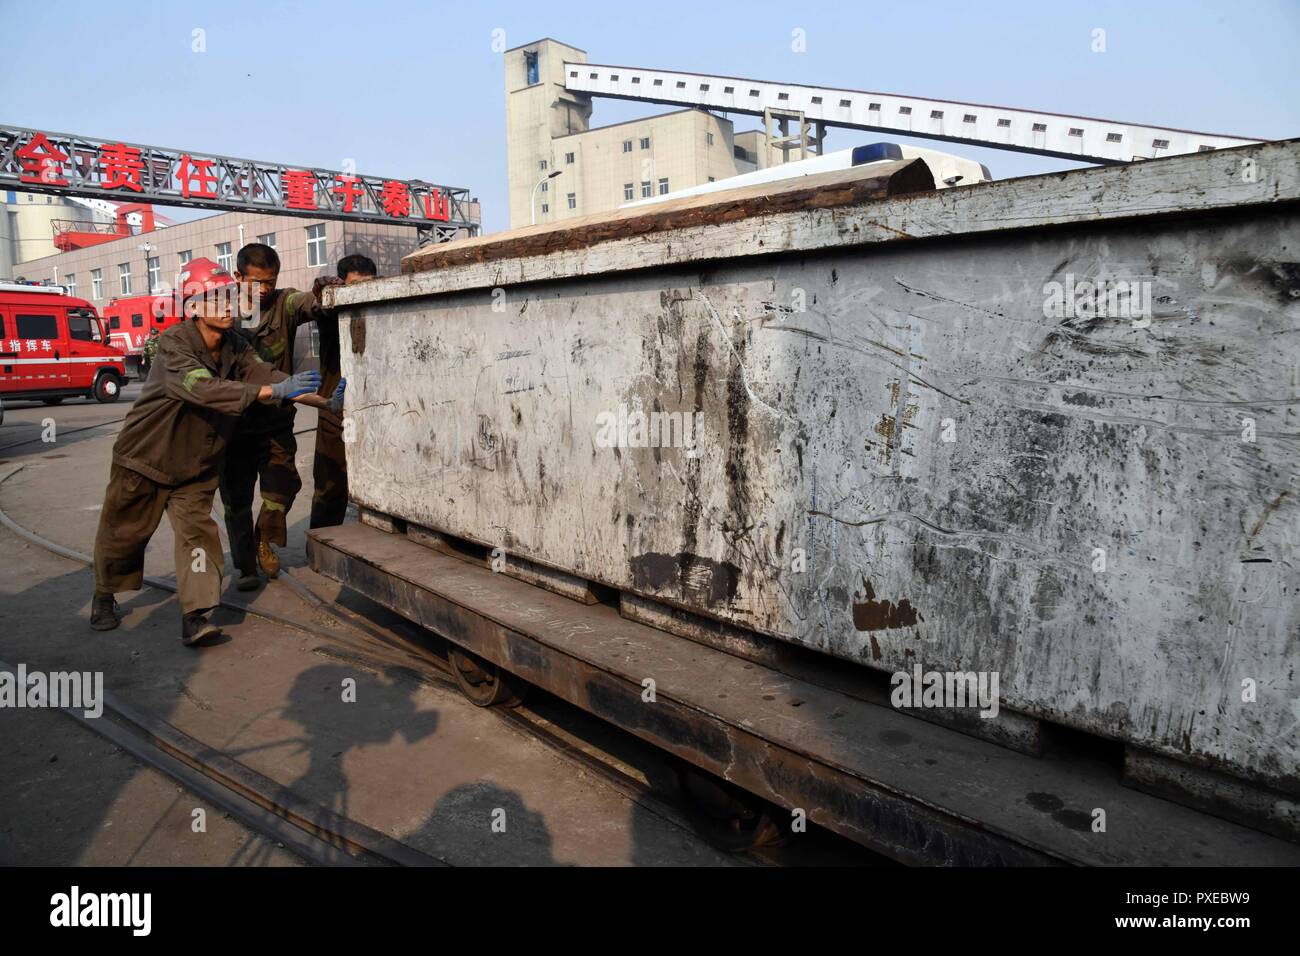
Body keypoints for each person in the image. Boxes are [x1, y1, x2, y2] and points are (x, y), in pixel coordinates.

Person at [89, 272, 327, 645]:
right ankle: (104, 594)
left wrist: (324, 400)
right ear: (194, 308)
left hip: (195, 465)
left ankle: (195, 616)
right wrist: (272, 389)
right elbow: (202, 388)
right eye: (216, 300)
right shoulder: (173, 344)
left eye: (231, 299)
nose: (228, 307)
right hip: (147, 457)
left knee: (198, 538)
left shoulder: (236, 344)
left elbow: (268, 374)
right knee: (124, 535)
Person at [220, 243, 336, 589]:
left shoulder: (284, 302)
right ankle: (245, 567)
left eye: (271, 281)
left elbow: (309, 304)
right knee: (236, 501)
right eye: (257, 282)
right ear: (238, 276)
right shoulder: (221, 309)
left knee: (281, 489)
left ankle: (264, 540)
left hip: (275, 423)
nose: (265, 289)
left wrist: (320, 292)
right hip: (235, 427)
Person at [309, 253, 376, 529]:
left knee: (374, 483)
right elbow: (320, 306)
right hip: (335, 410)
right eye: (354, 285)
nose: (360, 291)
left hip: (372, 408)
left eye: (367, 284)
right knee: (330, 485)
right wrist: (326, 291)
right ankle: (322, 542)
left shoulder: (377, 308)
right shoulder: (331, 310)